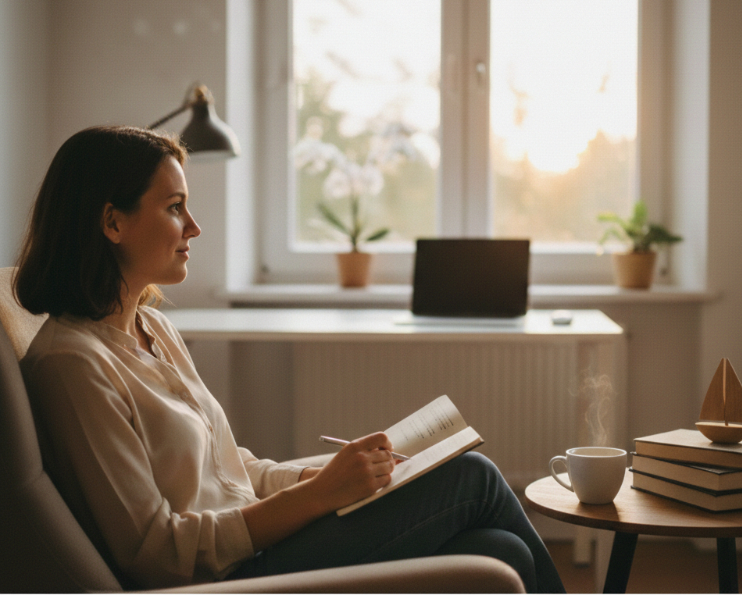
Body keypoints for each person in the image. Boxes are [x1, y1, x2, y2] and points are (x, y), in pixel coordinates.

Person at [15, 125, 565, 592]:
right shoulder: (73, 366)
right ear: (112, 223)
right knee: (472, 477)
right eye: (175, 207)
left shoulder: (151, 327)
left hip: (255, 548)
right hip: (226, 579)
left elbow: (236, 474)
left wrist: (333, 473)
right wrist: (323, 495)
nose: (194, 228)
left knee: (499, 553)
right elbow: (155, 552)